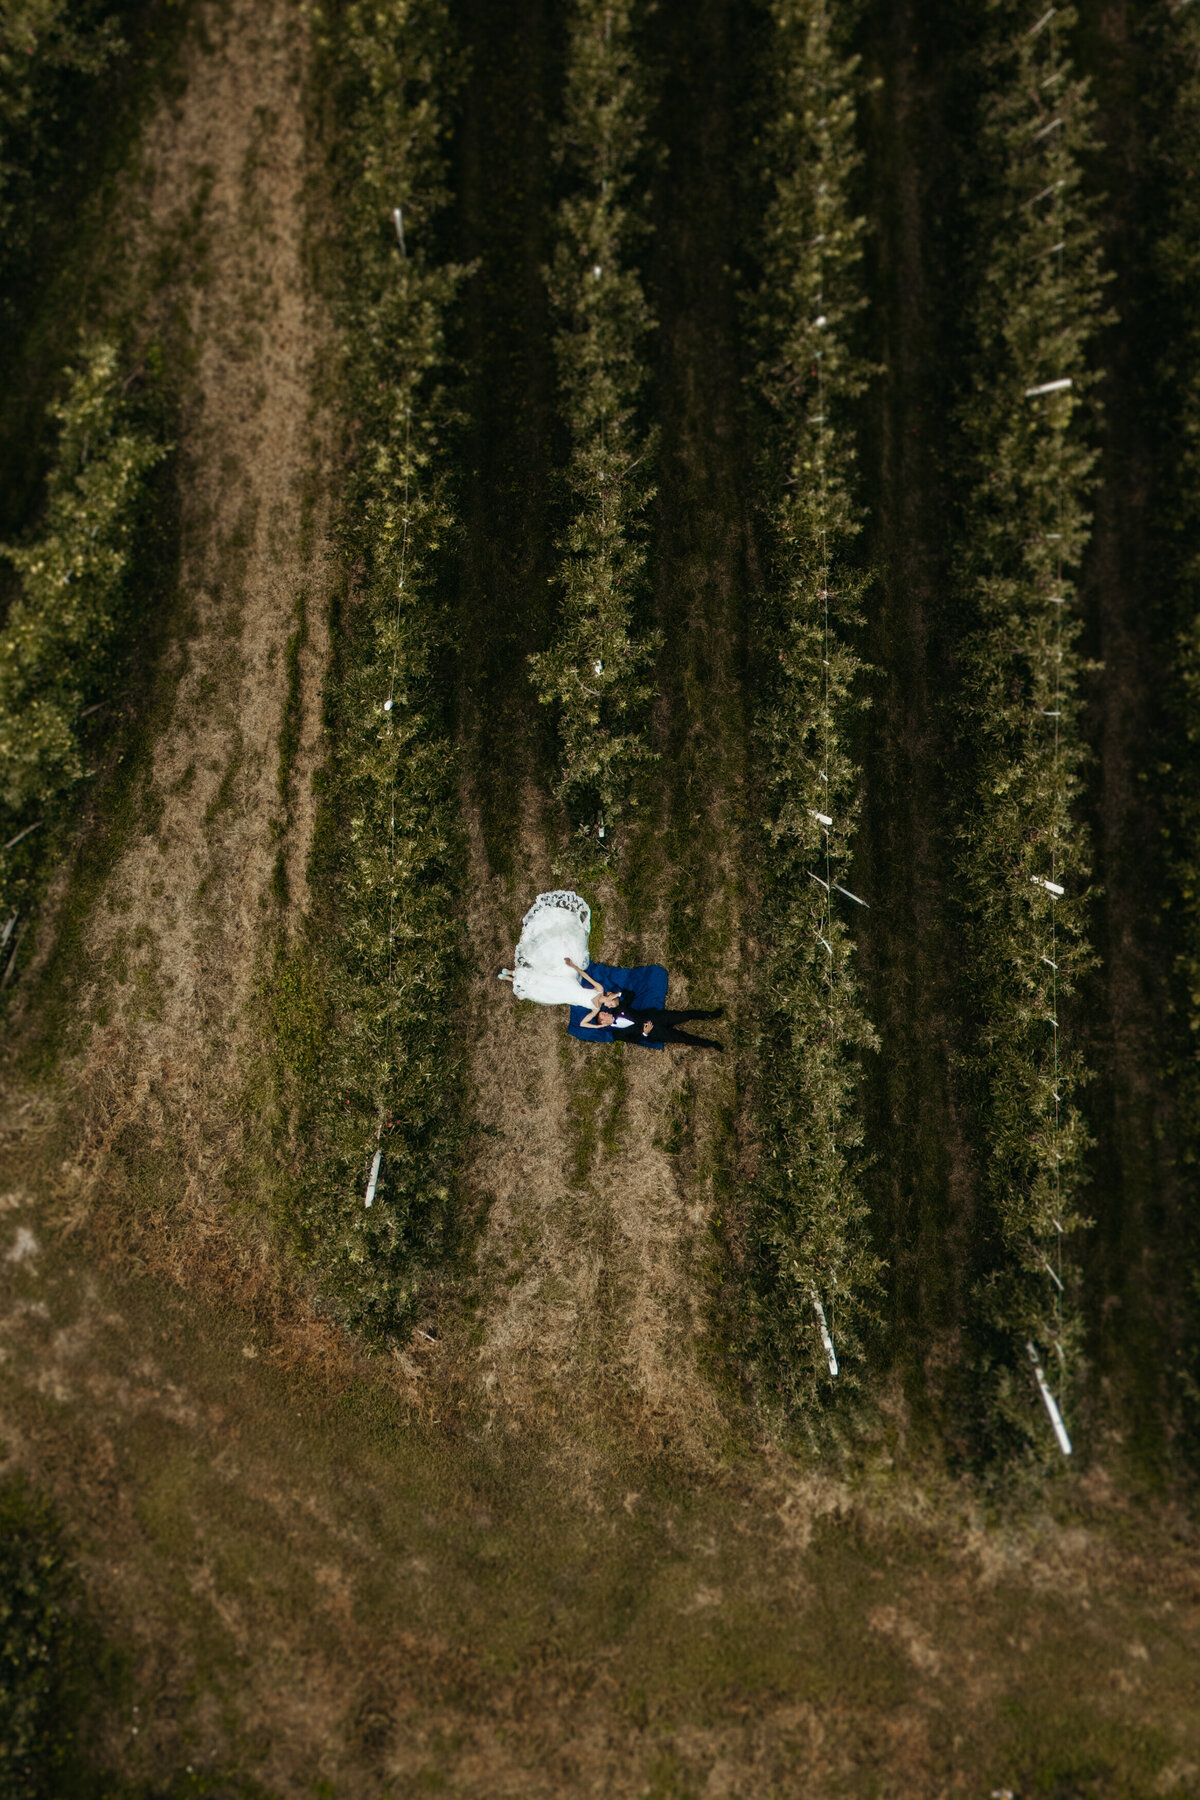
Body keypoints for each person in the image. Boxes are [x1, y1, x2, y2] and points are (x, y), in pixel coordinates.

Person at [497, 890, 620, 1020]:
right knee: (546, 979)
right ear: (610, 997)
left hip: (565, 996)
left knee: (542, 990)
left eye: (610, 1006)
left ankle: (510, 979)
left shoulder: (596, 1009)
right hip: (570, 985)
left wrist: (599, 1025)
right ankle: (511, 972)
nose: (609, 1006)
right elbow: (585, 976)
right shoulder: (600, 989)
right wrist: (573, 966)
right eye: (611, 1004)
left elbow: (583, 1023)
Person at [597, 988, 724, 1051]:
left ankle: (712, 1015)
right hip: (654, 1033)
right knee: (682, 1038)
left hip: (656, 1017)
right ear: (603, 1023)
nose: (605, 1013)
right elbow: (634, 1040)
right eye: (603, 1016)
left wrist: (616, 995)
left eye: (603, 1012)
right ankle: (711, 1044)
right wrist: (644, 1033)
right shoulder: (617, 1034)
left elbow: (630, 995)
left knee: (685, 1015)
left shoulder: (619, 1009)